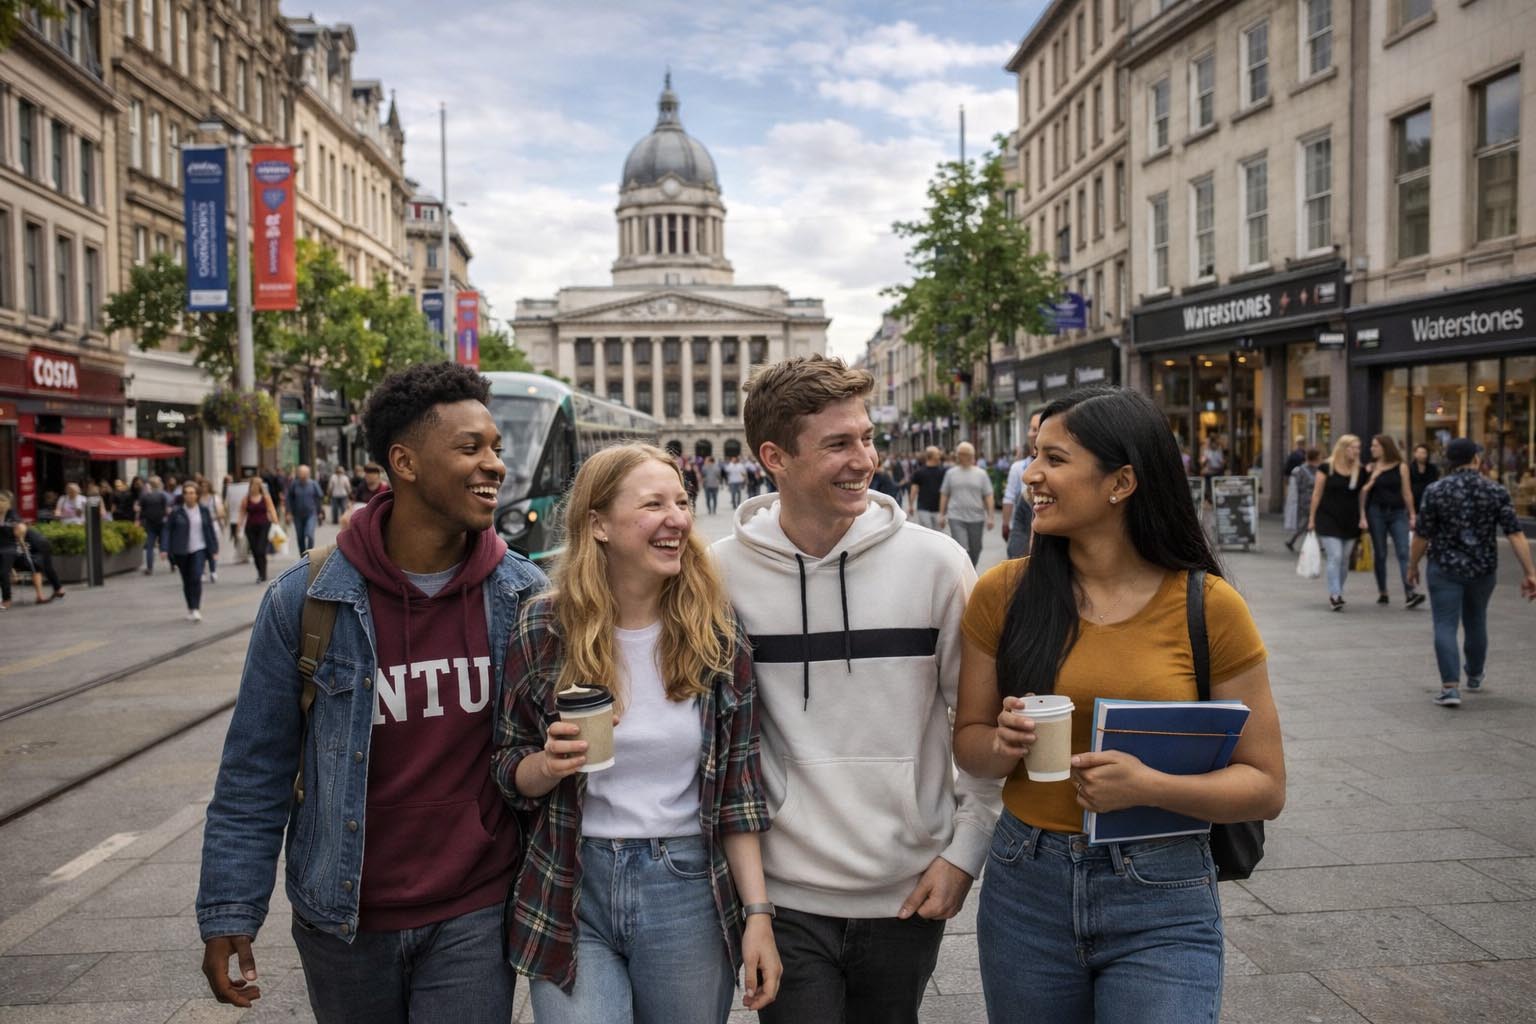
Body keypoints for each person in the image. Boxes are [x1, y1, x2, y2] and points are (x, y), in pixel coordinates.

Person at [197, 361, 547, 1021]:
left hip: (476, 906)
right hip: (343, 916)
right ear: (404, 462)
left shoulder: (523, 596)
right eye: (471, 448)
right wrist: (229, 909)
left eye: (496, 447)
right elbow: (255, 768)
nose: (495, 464)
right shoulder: (307, 599)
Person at [953, 386, 1285, 1023]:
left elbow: (1265, 785)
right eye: (1032, 457)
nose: (1032, 475)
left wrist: (1150, 785)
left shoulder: (1209, 605)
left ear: (1122, 481)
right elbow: (969, 743)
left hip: (1163, 888)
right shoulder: (1004, 593)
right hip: (1028, 882)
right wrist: (1001, 744)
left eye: (1054, 459)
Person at [712, 355, 1000, 1024]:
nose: (865, 459)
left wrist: (966, 852)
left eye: (867, 438)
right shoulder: (717, 573)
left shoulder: (937, 563)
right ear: (774, 457)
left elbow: (980, 720)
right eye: (839, 444)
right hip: (782, 896)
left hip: (908, 891)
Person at [494, 444, 779, 1022]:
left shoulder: (715, 633)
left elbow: (738, 796)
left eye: (681, 501)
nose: (676, 518)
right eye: (653, 504)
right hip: (573, 881)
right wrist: (547, 765)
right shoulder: (544, 626)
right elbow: (507, 767)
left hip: (685, 885)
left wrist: (758, 914)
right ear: (597, 524)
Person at [1408, 438, 1536, 707]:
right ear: (1476, 459)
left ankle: (1450, 688)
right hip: (1483, 567)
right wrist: (1530, 571)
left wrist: (1412, 566)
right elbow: (1515, 533)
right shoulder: (1495, 490)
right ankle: (1475, 675)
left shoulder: (1435, 490)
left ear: (1449, 462)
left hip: (1444, 567)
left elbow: (1422, 534)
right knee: (1476, 620)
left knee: (1445, 623)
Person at [1359, 435, 1423, 608]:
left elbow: (1407, 492)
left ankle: (1410, 593)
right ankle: (1383, 591)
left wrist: (1412, 514)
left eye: (1375, 446)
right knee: (1380, 554)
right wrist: (1373, 476)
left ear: (1385, 447)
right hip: (1376, 513)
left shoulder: (1401, 466)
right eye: (1372, 446)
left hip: (1397, 513)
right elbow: (1363, 492)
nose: (1372, 449)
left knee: (1403, 552)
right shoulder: (1370, 467)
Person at [1307, 435, 1365, 612]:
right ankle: (1335, 594)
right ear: (1343, 448)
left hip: (1350, 520)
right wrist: (1311, 519)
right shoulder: (1327, 467)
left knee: (1345, 559)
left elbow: (1362, 496)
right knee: (1336, 556)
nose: (1356, 451)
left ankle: (1337, 590)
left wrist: (1363, 517)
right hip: (1327, 518)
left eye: (1358, 448)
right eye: (1353, 447)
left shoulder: (1359, 470)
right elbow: (1317, 494)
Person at [162, 481, 219, 622]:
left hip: (199, 549)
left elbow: (210, 530)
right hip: (181, 551)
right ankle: (190, 607)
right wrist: (164, 548)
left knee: (196, 577)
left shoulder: (203, 510)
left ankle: (196, 608)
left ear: (197, 495)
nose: (190, 496)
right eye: (187, 493)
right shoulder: (177, 512)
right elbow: (167, 530)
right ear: (183, 496)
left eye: (192, 493)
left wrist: (214, 549)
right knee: (187, 580)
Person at [938, 441, 995, 567]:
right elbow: (944, 494)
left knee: (976, 549)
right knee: (962, 549)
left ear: (970, 455)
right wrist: (942, 514)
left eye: (962, 453)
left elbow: (988, 496)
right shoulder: (950, 473)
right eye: (958, 453)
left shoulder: (981, 474)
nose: (959, 456)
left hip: (976, 517)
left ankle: (971, 569)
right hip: (956, 516)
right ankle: (964, 575)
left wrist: (990, 516)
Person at [1001, 414, 1043, 560]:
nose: (1034, 433)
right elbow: (1009, 497)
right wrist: (1006, 524)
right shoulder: (1018, 469)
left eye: (1055, 459)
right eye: (1032, 429)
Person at [237, 476, 279, 583]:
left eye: (258, 484)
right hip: (250, 527)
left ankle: (263, 573)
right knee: (255, 551)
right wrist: (239, 526)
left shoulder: (265, 497)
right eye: (254, 484)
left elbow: (271, 509)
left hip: (264, 526)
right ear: (250, 485)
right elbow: (242, 513)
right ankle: (260, 572)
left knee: (261, 550)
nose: (255, 487)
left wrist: (276, 522)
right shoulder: (246, 499)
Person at [1284, 448, 1323, 551]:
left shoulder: (1316, 468)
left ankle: (1293, 540)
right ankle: (1292, 540)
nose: (1321, 458)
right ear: (1315, 457)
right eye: (1319, 456)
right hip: (1307, 500)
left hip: (1310, 498)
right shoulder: (1303, 470)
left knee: (1310, 521)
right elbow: (1299, 485)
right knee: (1308, 520)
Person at [285, 465, 324, 557]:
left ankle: (310, 554)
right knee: (300, 537)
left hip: (311, 513)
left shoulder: (313, 484)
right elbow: (289, 498)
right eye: (301, 474)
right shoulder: (294, 484)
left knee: (309, 534)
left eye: (305, 474)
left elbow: (319, 498)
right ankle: (303, 556)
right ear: (298, 474)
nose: (303, 476)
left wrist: (320, 512)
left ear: (308, 474)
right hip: (297, 515)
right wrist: (289, 512)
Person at [907, 446, 947, 530]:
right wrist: (911, 505)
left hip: (938, 509)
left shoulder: (944, 472)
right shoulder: (919, 472)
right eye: (938, 454)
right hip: (923, 508)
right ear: (931, 456)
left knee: (938, 534)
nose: (939, 456)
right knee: (927, 532)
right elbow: (914, 489)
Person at [138, 475, 170, 574]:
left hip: (150, 523)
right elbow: (167, 509)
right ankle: (169, 559)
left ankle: (150, 568)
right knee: (165, 540)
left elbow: (141, 510)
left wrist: (139, 520)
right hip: (162, 522)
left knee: (150, 546)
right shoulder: (162, 495)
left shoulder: (144, 496)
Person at [1408, 444, 1439, 512]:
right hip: (1414, 499)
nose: (1421, 455)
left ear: (1427, 455)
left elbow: (1435, 483)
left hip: (1428, 498)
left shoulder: (1432, 468)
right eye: (1419, 452)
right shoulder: (1409, 468)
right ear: (1415, 454)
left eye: (1423, 453)